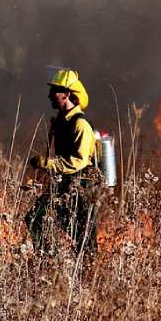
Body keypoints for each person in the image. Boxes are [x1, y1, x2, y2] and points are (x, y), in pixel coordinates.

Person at [25, 68, 99, 256]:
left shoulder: (80, 124)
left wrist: (48, 163)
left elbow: (79, 161)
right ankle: (49, 261)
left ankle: (87, 274)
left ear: (66, 94)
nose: (50, 95)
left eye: (54, 91)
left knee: (84, 238)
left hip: (81, 185)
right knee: (35, 218)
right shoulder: (61, 121)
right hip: (64, 183)